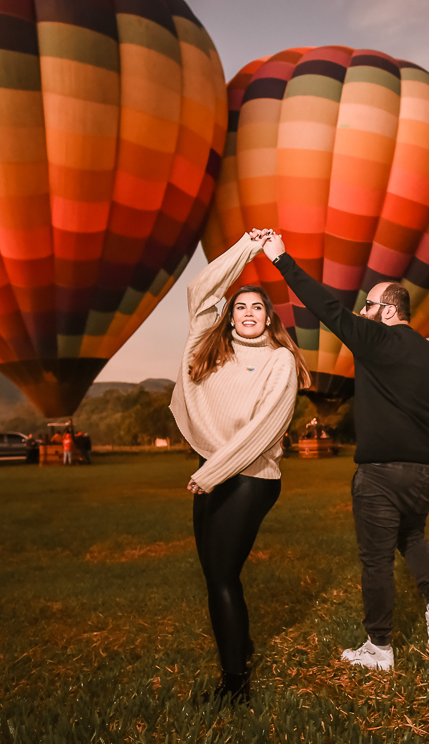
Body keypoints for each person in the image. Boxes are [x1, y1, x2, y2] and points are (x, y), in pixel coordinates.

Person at [260, 229, 429, 672]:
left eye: (368, 305)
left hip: (381, 473)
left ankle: (379, 648)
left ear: (387, 311)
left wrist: (281, 259)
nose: (361, 311)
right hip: (427, 469)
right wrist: (425, 450)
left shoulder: (375, 339)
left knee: (376, 559)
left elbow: (327, 308)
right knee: (413, 536)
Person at [170, 231, 309, 704]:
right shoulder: (208, 347)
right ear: (230, 315)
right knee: (214, 574)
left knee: (223, 576)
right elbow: (200, 290)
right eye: (240, 307)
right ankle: (241, 645)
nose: (248, 313)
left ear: (270, 318)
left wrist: (212, 473)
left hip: (250, 476)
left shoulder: (279, 361)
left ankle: (236, 684)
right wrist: (246, 249)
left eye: (258, 307)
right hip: (213, 468)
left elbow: (263, 431)